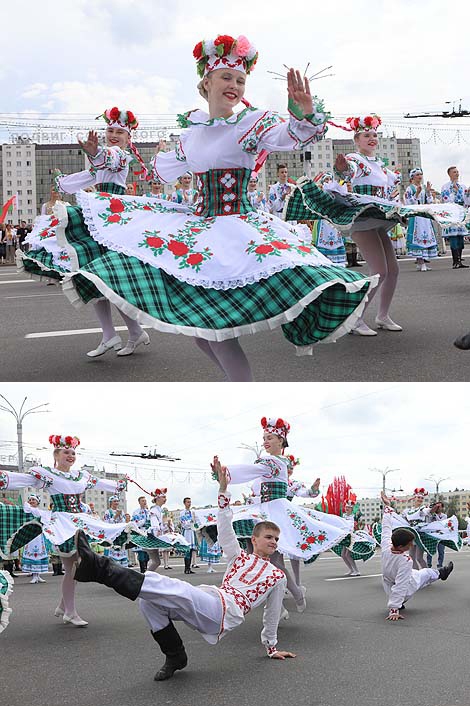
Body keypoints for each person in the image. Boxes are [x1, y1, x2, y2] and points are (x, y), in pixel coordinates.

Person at [60, 33, 377, 382]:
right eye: (226, 77)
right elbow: (160, 172)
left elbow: (292, 136)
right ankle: (236, 383)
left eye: (241, 80)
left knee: (220, 333)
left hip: (236, 228)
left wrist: (304, 116)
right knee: (201, 334)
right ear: (206, 82)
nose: (235, 85)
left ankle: (243, 387)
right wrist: (113, 153)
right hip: (200, 226)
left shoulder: (250, 124)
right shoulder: (190, 135)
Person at [73, 463, 295, 682]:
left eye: (276, 539)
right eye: (268, 537)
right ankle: (175, 656)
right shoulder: (239, 556)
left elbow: (272, 613)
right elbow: (225, 529)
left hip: (226, 611)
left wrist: (271, 647)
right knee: (149, 603)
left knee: (170, 586)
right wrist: (223, 491)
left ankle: (99, 567)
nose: (273, 542)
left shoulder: (278, 576)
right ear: (254, 539)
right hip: (212, 598)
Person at [21, 107, 151, 358]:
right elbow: (85, 176)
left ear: (128, 138)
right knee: (95, 278)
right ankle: (114, 334)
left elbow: (109, 158)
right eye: (110, 130)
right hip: (98, 219)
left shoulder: (121, 156)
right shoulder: (101, 161)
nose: (113, 135)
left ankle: (130, 332)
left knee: (107, 281)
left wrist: (95, 152)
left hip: (113, 221)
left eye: (119, 132)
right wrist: (62, 181)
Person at [0, 434, 130, 627]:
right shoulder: (48, 475)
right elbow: (25, 479)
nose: (71, 455)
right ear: (56, 454)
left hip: (80, 522)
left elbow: (102, 483)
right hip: (61, 523)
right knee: (73, 567)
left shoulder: (81, 476)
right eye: (66, 452)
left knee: (76, 567)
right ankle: (70, 611)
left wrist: (120, 484)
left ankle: (64, 606)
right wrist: (5, 478)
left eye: (73, 452)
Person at [380, 491, 453, 622]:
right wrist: (394, 609)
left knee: (419, 577)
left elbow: (386, 527)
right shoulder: (405, 560)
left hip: (389, 581)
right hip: (404, 584)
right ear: (402, 546)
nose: (411, 546)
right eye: (409, 544)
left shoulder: (386, 545)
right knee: (424, 574)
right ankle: (441, 573)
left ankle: (442, 572)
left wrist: (387, 506)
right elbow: (401, 585)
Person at [404, 169, 438, 271]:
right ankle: (420, 261)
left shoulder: (423, 188)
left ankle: (421, 261)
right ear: (412, 177)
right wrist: (416, 194)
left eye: (421, 174)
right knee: (418, 237)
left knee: (426, 237)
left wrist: (428, 192)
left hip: (424, 216)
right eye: (417, 175)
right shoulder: (409, 189)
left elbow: (429, 202)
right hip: (416, 217)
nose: (420, 176)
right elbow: (408, 204)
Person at [441, 166, 468, 268]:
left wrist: (466, 193)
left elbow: (466, 201)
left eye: (457, 172)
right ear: (449, 174)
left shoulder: (463, 186)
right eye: (454, 172)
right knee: (453, 236)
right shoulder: (445, 187)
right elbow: (446, 200)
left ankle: (460, 260)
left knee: (460, 237)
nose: (457, 174)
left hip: (461, 214)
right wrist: (457, 192)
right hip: (451, 214)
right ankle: (455, 261)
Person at [21, 493, 49, 583]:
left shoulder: (40, 512)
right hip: (30, 535)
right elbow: (27, 509)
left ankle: (38, 575)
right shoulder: (28, 510)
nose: (31, 501)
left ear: (38, 502)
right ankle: (34, 575)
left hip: (38, 535)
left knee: (39, 553)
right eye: (30, 500)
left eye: (34, 500)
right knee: (32, 553)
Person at [103, 497, 128, 567]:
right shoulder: (108, 512)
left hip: (120, 535)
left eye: (117, 501)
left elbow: (123, 522)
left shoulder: (121, 511)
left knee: (122, 551)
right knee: (113, 552)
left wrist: (119, 516)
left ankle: (123, 568)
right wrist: (116, 516)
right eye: (115, 501)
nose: (116, 503)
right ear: (111, 502)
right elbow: (107, 523)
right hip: (112, 536)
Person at [426, 500, 446, 569]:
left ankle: (440, 565)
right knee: (430, 550)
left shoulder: (444, 516)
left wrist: (435, 514)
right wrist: (430, 510)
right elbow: (428, 521)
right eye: (436, 506)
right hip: (432, 535)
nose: (437, 508)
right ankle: (428, 564)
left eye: (439, 506)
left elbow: (441, 523)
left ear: (442, 508)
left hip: (441, 536)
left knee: (441, 551)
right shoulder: (431, 514)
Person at [180, 497, 198, 574]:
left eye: (190, 502)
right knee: (187, 550)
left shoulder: (192, 512)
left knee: (191, 550)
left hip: (192, 531)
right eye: (188, 502)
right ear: (184, 503)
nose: (189, 503)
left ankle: (189, 567)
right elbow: (183, 524)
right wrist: (190, 522)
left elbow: (195, 521)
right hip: (186, 532)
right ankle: (186, 568)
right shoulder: (182, 513)